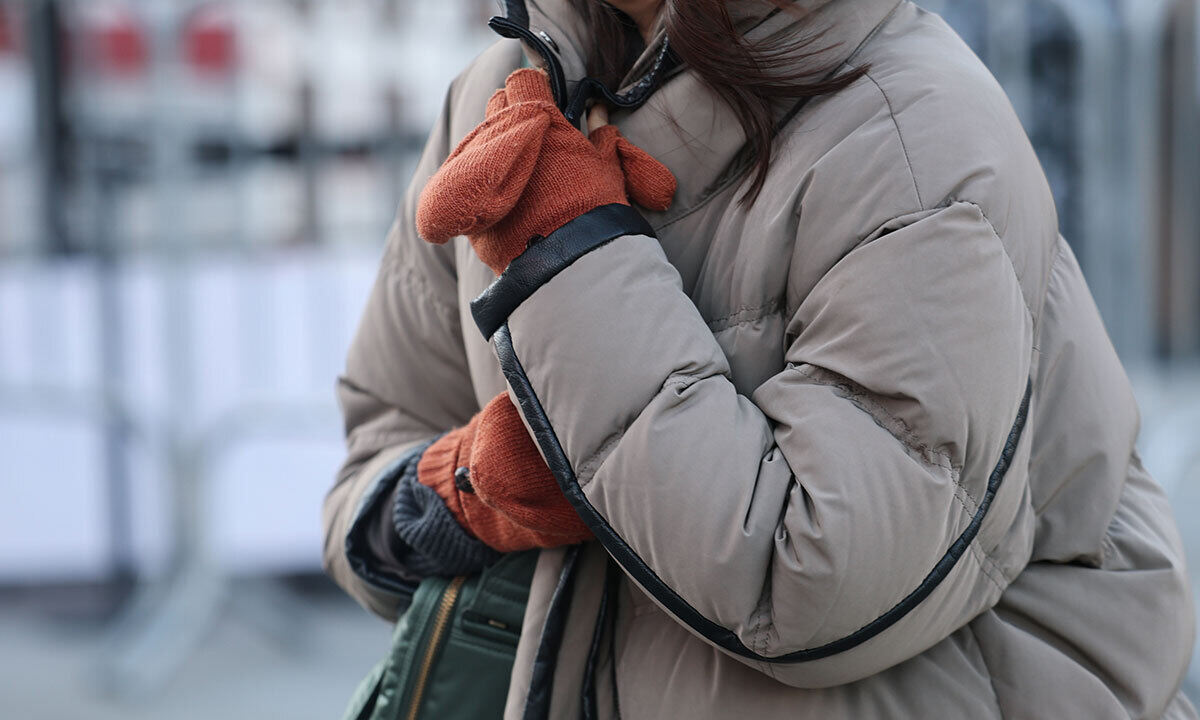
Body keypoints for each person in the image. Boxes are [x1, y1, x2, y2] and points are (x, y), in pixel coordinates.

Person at [322, 0, 1197, 717]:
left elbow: (817, 588)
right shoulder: (506, 92)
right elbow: (374, 453)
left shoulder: (912, 132)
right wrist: (470, 493)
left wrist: (567, 253)